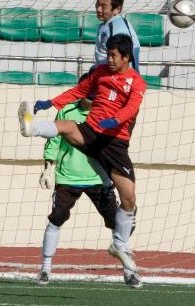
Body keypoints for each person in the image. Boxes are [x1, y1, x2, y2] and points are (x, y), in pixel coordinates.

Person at [18, 34, 147, 284]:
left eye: (113, 56)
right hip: (92, 131)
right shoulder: (100, 73)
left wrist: (116, 120)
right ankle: (31, 127)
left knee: (129, 198)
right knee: (66, 125)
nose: (108, 59)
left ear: (126, 57)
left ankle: (119, 246)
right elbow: (79, 90)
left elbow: (131, 108)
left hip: (115, 144)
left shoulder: (137, 83)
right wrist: (49, 102)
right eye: (107, 54)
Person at [38, 90, 141, 288]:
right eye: (88, 96)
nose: (90, 100)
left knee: (118, 224)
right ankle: (45, 268)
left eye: (95, 97)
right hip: (68, 176)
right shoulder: (67, 111)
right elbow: (55, 139)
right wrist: (48, 169)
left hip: (99, 178)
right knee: (57, 217)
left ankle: (129, 272)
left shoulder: (106, 116)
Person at [94, 0, 140, 73]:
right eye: (97, 3)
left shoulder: (117, 29)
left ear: (117, 9)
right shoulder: (109, 25)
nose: (98, 9)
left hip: (116, 83)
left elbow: (121, 63)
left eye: (103, 6)